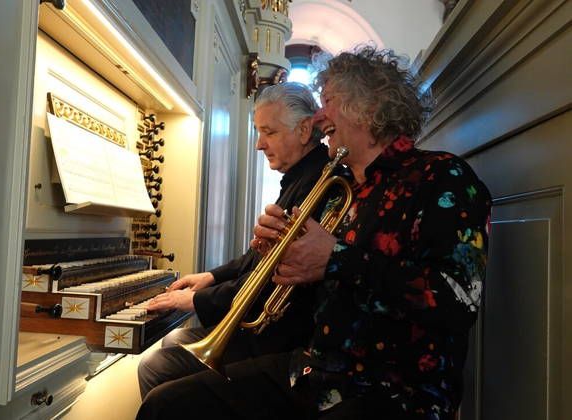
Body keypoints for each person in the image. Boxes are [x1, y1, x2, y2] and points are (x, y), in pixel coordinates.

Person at [136, 46, 491, 420]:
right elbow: (312, 286)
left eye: (329, 102)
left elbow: (457, 302)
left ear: (369, 107)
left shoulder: (443, 176)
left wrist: (335, 258)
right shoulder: (345, 190)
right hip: (315, 370)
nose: (319, 119)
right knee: (165, 406)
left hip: (394, 389)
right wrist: (278, 254)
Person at [137, 82, 331, 400]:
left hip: (283, 337)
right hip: (272, 327)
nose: (259, 145)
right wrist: (211, 277)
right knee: (171, 344)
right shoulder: (300, 177)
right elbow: (256, 259)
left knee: (155, 366)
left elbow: (272, 276)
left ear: (304, 129)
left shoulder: (317, 182)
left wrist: (196, 301)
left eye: (269, 132)